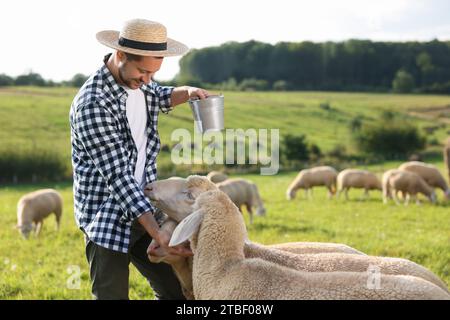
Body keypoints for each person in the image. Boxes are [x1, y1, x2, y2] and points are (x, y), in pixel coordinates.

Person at [69, 19, 209, 300]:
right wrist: (159, 234)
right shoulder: (93, 103)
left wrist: (188, 92)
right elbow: (119, 178)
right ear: (120, 55)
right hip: (107, 216)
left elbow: (157, 94)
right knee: (112, 296)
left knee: (178, 292)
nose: (147, 79)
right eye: (143, 71)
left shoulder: (139, 83)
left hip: (144, 207)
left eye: (153, 73)